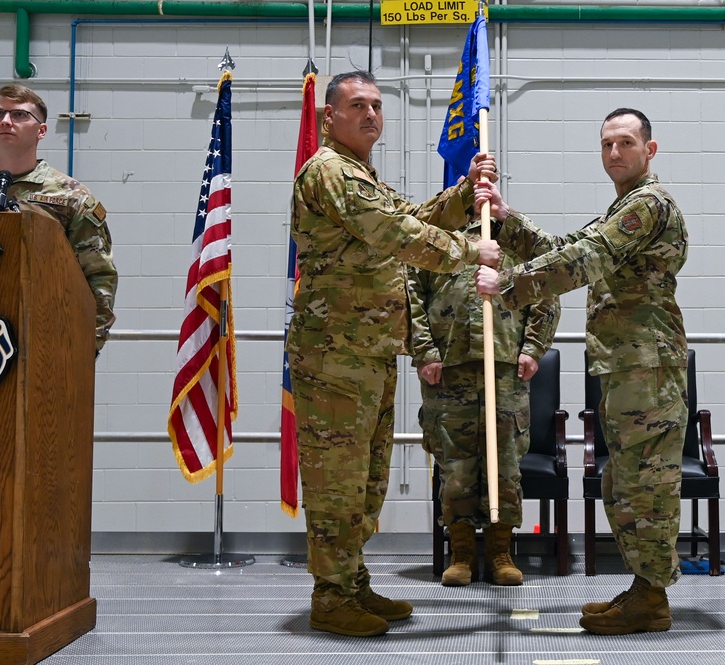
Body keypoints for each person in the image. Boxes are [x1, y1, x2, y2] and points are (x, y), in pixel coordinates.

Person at [287, 70, 501, 638]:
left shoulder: (362, 174)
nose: (371, 114)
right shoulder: (330, 171)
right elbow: (395, 234)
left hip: (369, 353)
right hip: (335, 358)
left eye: (378, 105)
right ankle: (330, 597)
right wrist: (470, 249)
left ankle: (352, 582)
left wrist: (463, 193)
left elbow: (412, 218)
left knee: (365, 480)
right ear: (328, 117)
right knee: (337, 481)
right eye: (357, 105)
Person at [475, 107, 689, 634]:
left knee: (646, 485)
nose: (614, 153)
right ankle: (644, 589)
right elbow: (565, 249)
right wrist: (507, 219)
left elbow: (588, 258)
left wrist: (508, 285)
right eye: (606, 145)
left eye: (625, 143)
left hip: (646, 369)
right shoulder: (623, 207)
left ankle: (652, 597)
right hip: (626, 367)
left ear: (650, 150)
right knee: (625, 482)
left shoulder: (648, 205)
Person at [409, 213, 560, 587]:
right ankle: (460, 554)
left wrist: (533, 348)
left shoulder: (517, 240)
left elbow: (547, 290)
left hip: (505, 367)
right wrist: (425, 352)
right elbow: (410, 294)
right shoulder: (438, 236)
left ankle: (500, 552)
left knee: (505, 463)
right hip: (450, 367)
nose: (480, 192)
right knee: (456, 464)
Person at [0, 84, 117, 354]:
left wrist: (84, 350)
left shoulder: (71, 197)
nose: (6, 121)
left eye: (19, 115)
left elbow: (98, 277)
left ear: (42, 131)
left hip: (45, 343)